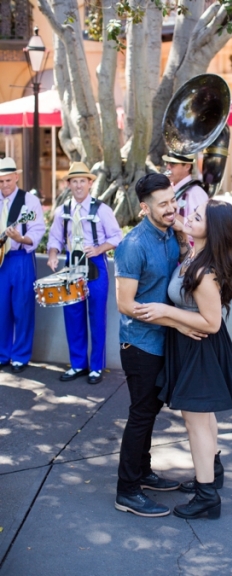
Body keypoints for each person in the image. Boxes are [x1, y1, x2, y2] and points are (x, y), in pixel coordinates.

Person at [134, 200, 232, 520]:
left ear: (212, 230)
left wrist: (167, 312)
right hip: (190, 345)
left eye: (197, 217)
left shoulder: (205, 272)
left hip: (199, 346)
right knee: (203, 417)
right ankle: (212, 469)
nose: (188, 218)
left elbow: (211, 322)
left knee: (195, 421)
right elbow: (181, 227)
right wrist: (161, 216)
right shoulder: (195, 253)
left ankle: (206, 495)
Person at [113, 173, 193, 517]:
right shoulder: (133, 245)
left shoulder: (169, 234)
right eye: (163, 204)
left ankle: (142, 473)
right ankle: (127, 490)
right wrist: (173, 319)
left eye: (173, 200)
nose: (171, 207)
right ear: (144, 208)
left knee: (149, 414)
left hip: (163, 340)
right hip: (140, 344)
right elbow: (125, 304)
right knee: (141, 415)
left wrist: (184, 236)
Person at [46, 162, 123, 385]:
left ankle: (96, 367)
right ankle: (78, 364)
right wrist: (52, 255)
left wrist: (99, 249)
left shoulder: (102, 209)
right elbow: (55, 239)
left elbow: (117, 237)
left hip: (95, 264)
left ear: (90, 183)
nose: (78, 185)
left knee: (97, 316)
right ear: (68, 184)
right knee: (73, 314)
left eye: (83, 181)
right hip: (72, 263)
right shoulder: (63, 211)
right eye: (74, 181)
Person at [0, 157, 45, 373]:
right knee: (1, 309)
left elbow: (37, 230)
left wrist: (21, 238)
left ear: (16, 177)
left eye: (8, 180)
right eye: (1, 181)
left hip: (20, 258)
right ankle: (2, 353)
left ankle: (20, 355)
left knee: (23, 307)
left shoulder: (29, 201)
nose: (5, 185)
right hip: (1, 260)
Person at [163, 151, 208, 229]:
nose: (168, 167)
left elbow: (202, 227)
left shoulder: (196, 193)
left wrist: (172, 216)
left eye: (173, 164)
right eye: (167, 163)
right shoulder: (167, 188)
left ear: (187, 166)